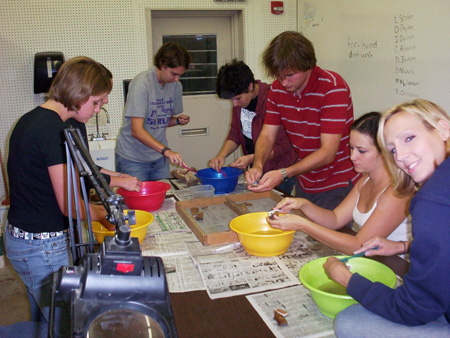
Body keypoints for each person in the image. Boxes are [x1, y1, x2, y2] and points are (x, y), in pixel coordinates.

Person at [4, 56, 125, 337]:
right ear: (77, 93)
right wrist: (106, 214)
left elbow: (82, 168)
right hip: (40, 248)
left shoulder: (46, 121)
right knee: (68, 324)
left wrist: (117, 179)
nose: (98, 109)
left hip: (30, 239)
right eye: (96, 103)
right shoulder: (51, 131)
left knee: (51, 315)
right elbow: (71, 204)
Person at [324, 99, 450, 337]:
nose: (400, 156)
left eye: (409, 138)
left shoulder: (432, 200)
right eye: (392, 149)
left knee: (349, 322)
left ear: (443, 129)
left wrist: (350, 281)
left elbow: (414, 309)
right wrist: (402, 246)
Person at [245, 31, 360, 216]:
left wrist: (283, 173)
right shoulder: (276, 90)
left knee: (329, 240)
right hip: (305, 179)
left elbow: (328, 152)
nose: (284, 82)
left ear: (308, 66)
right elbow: (267, 135)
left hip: (335, 182)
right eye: (278, 75)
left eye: (290, 75)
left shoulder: (333, 87)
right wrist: (258, 164)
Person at [267, 112, 412, 254]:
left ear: (384, 152)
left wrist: (303, 225)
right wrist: (303, 204)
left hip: (395, 267)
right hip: (372, 260)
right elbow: (335, 219)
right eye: (351, 148)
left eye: (361, 151)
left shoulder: (396, 191)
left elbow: (359, 245)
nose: (352, 156)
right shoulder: (365, 181)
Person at [209, 59, 297, 193]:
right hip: (257, 167)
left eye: (237, 98)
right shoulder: (241, 103)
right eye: (231, 100)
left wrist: (252, 158)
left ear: (250, 86)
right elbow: (235, 133)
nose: (235, 104)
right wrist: (221, 155)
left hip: (278, 169)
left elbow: (284, 146)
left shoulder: (272, 98)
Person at [115, 42, 192, 181]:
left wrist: (178, 120)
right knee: (137, 201)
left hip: (158, 158)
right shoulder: (142, 85)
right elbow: (137, 130)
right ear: (162, 65)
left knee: (164, 199)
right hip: (133, 158)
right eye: (174, 74)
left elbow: (159, 120)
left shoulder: (175, 86)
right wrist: (166, 151)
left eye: (180, 75)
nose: (176, 79)